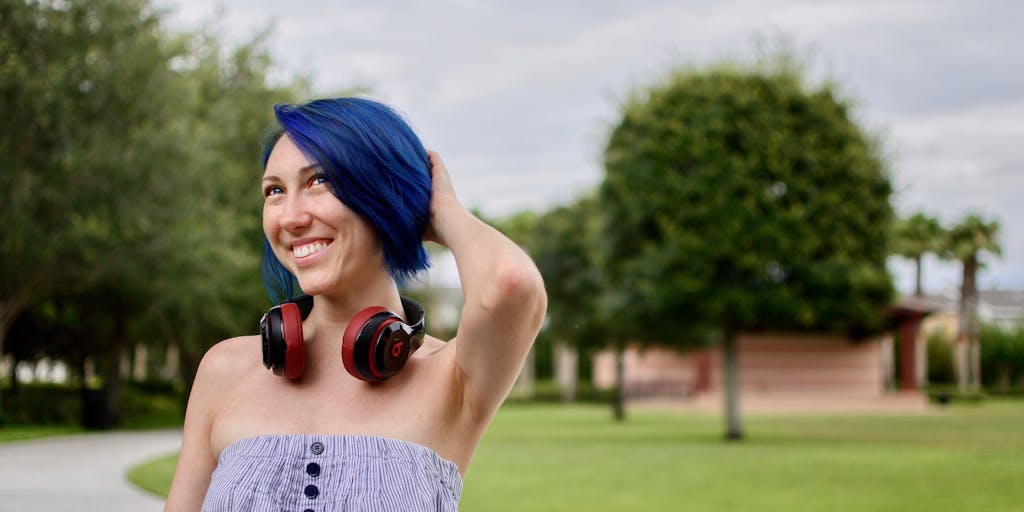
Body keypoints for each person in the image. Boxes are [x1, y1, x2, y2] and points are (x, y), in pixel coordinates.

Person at [164, 97, 547, 511]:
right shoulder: (226, 370)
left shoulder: (451, 377)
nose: (290, 217)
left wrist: (439, 209)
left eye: (318, 182)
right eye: (275, 190)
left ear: (382, 195)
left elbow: (510, 284)